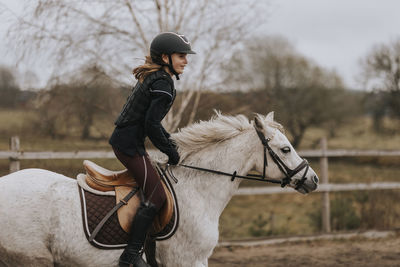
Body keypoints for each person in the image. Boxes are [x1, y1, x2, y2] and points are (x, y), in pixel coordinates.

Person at [109, 32, 195, 267]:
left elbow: (152, 125)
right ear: (165, 57)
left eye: (186, 56)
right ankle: (130, 254)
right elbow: (151, 125)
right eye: (181, 56)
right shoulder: (162, 84)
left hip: (128, 142)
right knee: (157, 195)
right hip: (128, 146)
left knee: (152, 189)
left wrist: (171, 143)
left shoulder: (158, 78)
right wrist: (171, 151)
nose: (186, 61)